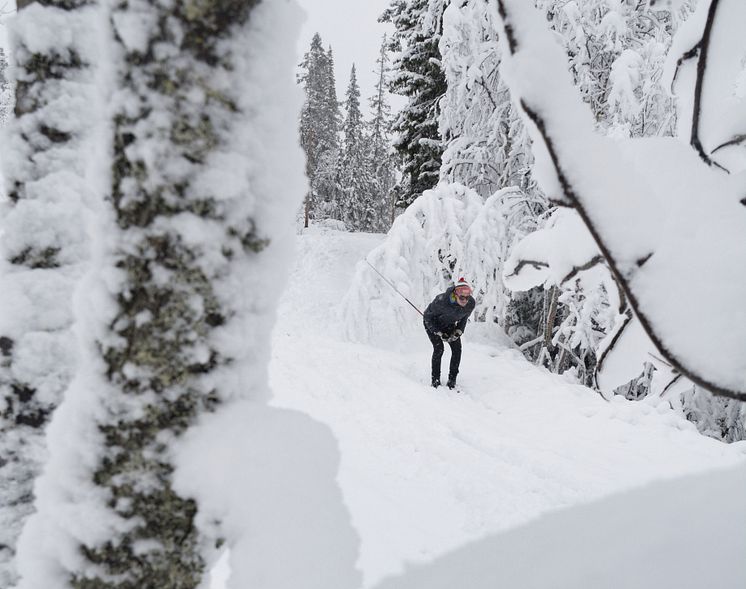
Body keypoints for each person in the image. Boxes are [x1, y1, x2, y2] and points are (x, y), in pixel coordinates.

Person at [423, 277, 475, 389]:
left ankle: (452, 381)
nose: (465, 300)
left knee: (457, 350)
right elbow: (427, 317)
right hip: (433, 324)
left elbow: (464, 317)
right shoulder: (441, 301)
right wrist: (439, 333)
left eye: (467, 297)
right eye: (462, 297)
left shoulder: (470, 303)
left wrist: (459, 331)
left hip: (450, 325)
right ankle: (435, 380)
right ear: (455, 294)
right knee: (439, 349)